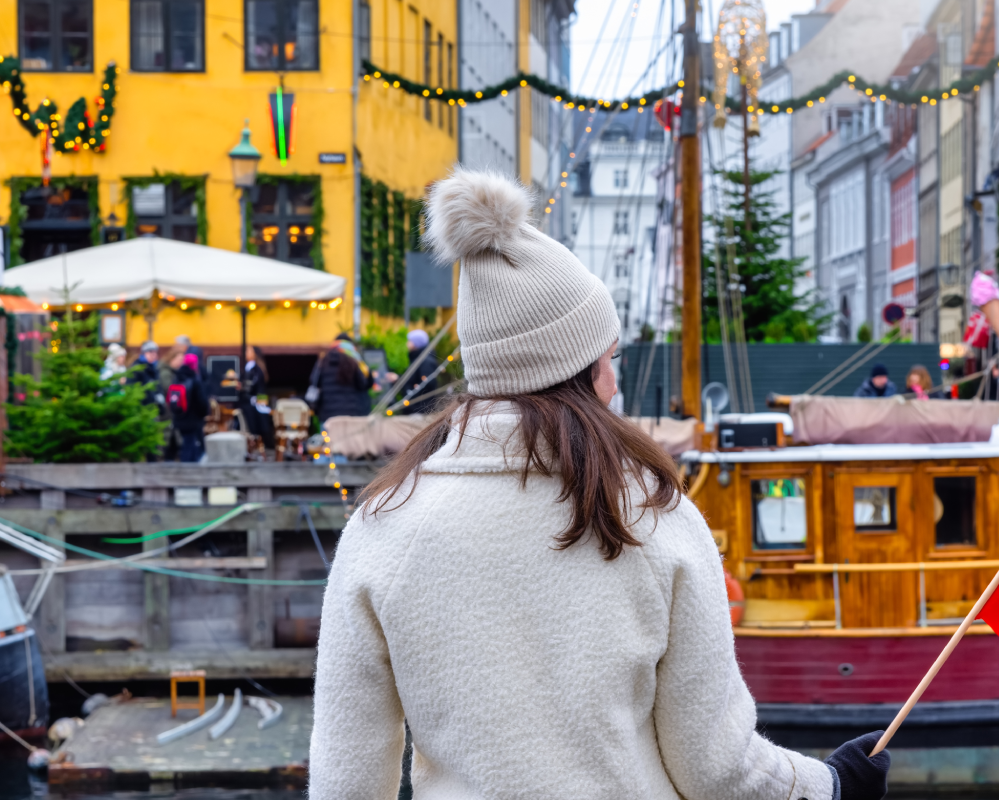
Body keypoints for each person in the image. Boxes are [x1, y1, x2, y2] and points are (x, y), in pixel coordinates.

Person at [310, 168, 890, 799]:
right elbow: (719, 770)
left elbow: (345, 780)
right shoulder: (652, 516)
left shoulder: (381, 528)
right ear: (577, 368)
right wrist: (831, 785)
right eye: (610, 358)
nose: (615, 381)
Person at [308, 333, 374, 420]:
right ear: (350, 345)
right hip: (353, 414)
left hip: (328, 415)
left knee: (328, 434)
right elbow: (364, 384)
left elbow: (314, 382)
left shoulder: (323, 361)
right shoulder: (356, 361)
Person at [167, 351, 208, 462]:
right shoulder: (195, 380)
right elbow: (202, 402)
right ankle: (188, 471)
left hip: (178, 417)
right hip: (193, 420)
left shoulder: (177, 377)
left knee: (185, 444)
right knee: (190, 446)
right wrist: (204, 413)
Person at [395, 328, 442, 415]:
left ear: (416, 343)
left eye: (409, 341)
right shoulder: (416, 358)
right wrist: (398, 377)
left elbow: (428, 383)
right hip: (414, 408)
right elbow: (413, 377)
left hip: (420, 409)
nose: (407, 343)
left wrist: (414, 389)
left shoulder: (425, 361)